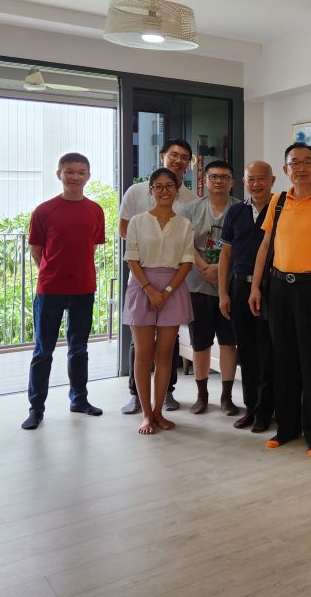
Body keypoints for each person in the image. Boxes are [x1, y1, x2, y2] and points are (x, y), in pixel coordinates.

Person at [249, 142, 311, 457]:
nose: (301, 168)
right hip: (279, 288)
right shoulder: (277, 202)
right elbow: (265, 246)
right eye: (295, 162)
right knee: (283, 361)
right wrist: (255, 287)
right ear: (285, 169)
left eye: (307, 162)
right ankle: (287, 427)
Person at [22, 152, 106, 430]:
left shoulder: (95, 210)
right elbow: (36, 250)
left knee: (79, 349)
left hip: (84, 288)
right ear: (58, 174)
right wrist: (51, 272)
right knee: (43, 351)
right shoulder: (43, 211)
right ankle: (36, 408)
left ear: (88, 176)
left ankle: (79, 400)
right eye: (69, 171)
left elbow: (90, 247)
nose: (75, 177)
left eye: (81, 172)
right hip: (50, 290)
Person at [118, 139, 195, 415]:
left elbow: (187, 258)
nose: (164, 191)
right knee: (141, 349)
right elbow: (129, 246)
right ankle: (139, 400)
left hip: (174, 285)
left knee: (166, 351)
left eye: (184, 156)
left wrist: (168, 289)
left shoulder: (189, 205)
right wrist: (149, 287)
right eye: (174, 154)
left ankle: (162, 402)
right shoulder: (136, 202)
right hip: (142, 282)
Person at [218, 160, 276, 432]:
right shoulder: (235, 211)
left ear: (272, 180)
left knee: (267, 352)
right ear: (243, 182)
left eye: (261, 178)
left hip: (271, 288)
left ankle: (265, 411)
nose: (256, 184)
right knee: (247, 351)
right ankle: (251, 409)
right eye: (251, 179)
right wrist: (223, 293)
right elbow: (225, 254)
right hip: (239, 287)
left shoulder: (281, 209)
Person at [182, 160, 237, 416]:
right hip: (198, 285)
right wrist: (206, 268)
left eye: (224, 177)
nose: (219, 181)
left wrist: (220, 269)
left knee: (228, 343)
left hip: (230, 287)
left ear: (232, 182)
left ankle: (227, 397)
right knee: (200, 344)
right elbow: (185, 244)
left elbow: (244, 245)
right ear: (205, 181)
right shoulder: (191, 209)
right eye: (214, 177)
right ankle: (201, 396)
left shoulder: (241, 209)